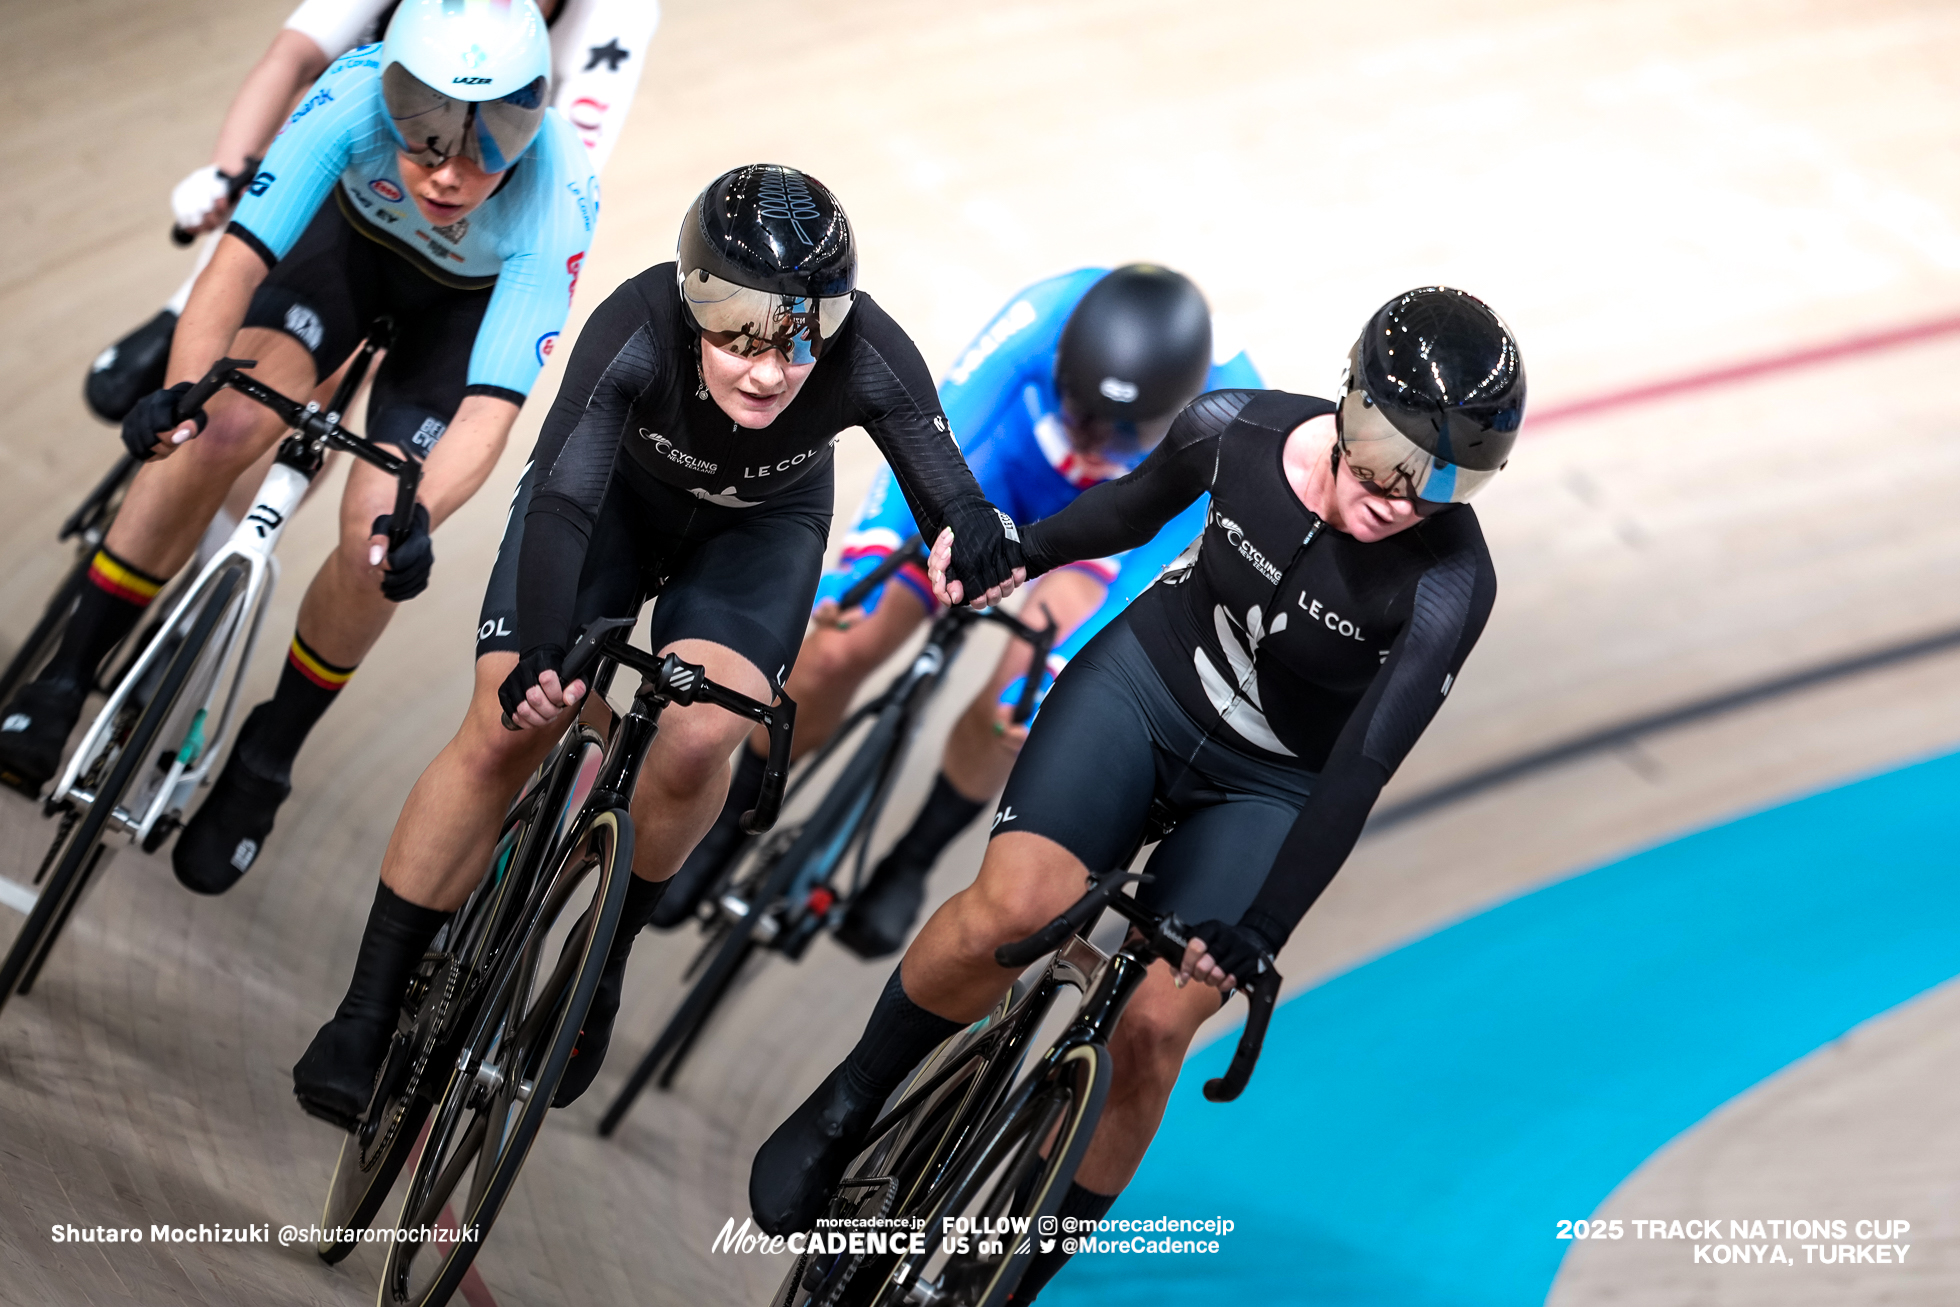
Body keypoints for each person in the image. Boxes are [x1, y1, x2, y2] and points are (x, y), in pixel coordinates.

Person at [749, 287, 1525, 1301]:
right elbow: (1122, 513)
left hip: (1271, 783)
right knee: (1011, 912)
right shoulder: (1236, 429)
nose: (1401, 493)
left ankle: (1014, 1269)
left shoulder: (1448, 585)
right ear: (1349, 400)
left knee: (1155, 1026)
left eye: (1443, 478)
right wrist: (1019, 550)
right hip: (1142, 693)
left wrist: (1264, 928)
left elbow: (1361, 767)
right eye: (1388, 451)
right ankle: (845, 1103)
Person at [289, 163, 1028, 1127]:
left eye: (798, 343)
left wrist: (972, 529)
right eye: (739, 343)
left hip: (759, 533)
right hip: (606, 512)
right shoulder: (638, 325)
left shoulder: (868, 349)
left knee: (698, 737)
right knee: (507, 722)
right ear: (695, 307)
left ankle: (605, 956)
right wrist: (549, 650)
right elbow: (560, 500)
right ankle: (365, 1009)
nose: (768, 371)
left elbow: (947, 484)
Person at [0, 0, 594, 897]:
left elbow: (488, 409)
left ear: (532, 120)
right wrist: (185, 398)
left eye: (490, 138)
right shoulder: (351, 96)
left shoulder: (557, 200)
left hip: (455, 319)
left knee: (374, 541)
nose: (448, 169)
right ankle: (66, 677)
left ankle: (266, 758)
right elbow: (236, 263)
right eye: (424, 129)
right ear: (390, 93)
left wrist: (418, 513)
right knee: (220, 426)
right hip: (345, 250)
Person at [656, 265, 1262, 958]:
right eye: (1080, 411)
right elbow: (921, 428)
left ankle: (909, 862)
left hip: (1107, 530)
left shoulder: (1228, 422)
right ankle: (731, 823)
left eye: (1120, 429)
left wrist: (1063, 662)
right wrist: (867, 556)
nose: (1090, 440)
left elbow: (1147, 574)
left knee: (1020, 705)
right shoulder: (1041, 316)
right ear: (1062, 362)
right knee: (838, 640)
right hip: (996, 475)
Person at [85, 0, 657, 427]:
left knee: (326, 380)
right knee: (315, 122)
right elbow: (294, 55)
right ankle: (186, 303)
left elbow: (563, 175)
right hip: (372, 132)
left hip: (471, 177)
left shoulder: (618, 13)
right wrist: (225, 172)